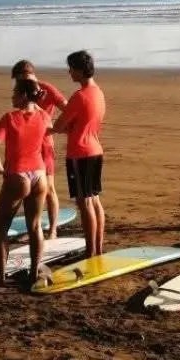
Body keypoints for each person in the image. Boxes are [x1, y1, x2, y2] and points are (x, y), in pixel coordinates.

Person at [0, 76, 51, 288]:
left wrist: (0, 169)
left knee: (1, 229)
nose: (12, 97)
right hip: (40, 175)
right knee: (35, 226)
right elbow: (47, 142)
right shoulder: (44, 116)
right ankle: (34, 273)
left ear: (23, 95)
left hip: (18, 175)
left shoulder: (9, 118)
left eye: (15, 93)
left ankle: (1, 277)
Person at [50, 50, 106, 259]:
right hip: (95, 150)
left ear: (80, 70)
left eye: (72, 68)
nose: (69, 72)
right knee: (95, 201)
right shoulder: (98, 92)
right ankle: (97, 248)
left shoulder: (80, 96)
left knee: (85, 203)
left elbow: (59, 125)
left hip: (80, 152)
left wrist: (49, 127)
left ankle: (90, 251)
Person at [10, 59, 66, 237]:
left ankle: (53, 229)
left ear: (28, 74)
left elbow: (66, 108)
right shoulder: (22, 90)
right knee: (31, 189)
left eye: (19, 79)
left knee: (48, 188)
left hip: (44, 145)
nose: (18, 84)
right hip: (27, 145)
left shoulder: (47, 89)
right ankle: (35, 228)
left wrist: (55, 128)